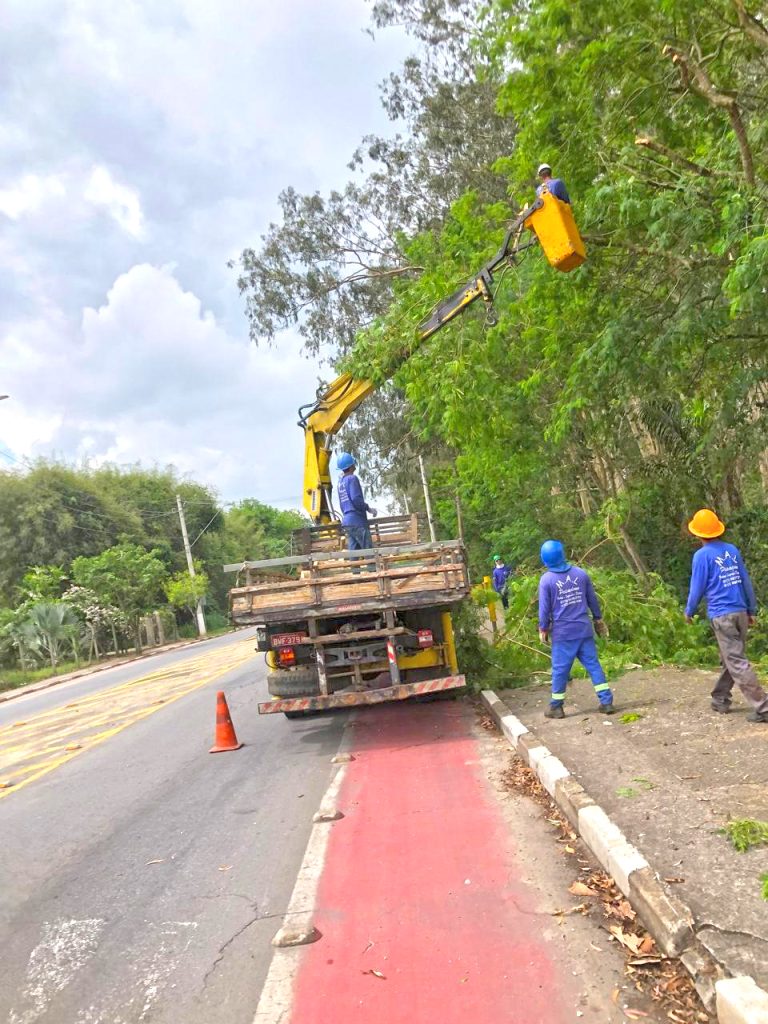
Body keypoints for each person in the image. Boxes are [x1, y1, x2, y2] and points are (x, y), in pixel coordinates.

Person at [684, 508, 768, 723]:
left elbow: (697, 587)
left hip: (722, 615)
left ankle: (763, 707)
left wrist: (689, 611)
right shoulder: (731, 550)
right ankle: (720, 698)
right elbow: (744, 580)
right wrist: (751, 609)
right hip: (739, 612)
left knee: (736, 660)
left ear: (697, 533)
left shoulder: (701, 556)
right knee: (729, 657)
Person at [538, 540, 613, 719]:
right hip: (584, 630)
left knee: (560, 670)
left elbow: (544, 608)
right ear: (563, 554)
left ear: (544, 559)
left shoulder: (546, 580)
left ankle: (556, 706)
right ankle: (607, 701)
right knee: (593, 665)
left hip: (563, 634)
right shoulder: (581, 574)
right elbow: (592, 600)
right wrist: (598, 619)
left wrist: (543, 628)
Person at [336, 452, 377, 552]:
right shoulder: (352, 479)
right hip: (357, 521)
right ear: (351, 466)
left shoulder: (340, 483)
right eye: (353, 463)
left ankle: (354, 567)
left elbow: (342, 505)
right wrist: (368, 508)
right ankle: (372, 567)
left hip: (347, 522)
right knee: (369, 553)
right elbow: (356, 499)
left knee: (354, 554)